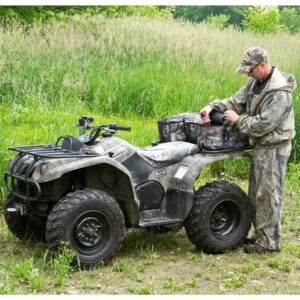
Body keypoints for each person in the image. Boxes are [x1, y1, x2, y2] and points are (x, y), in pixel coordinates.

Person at [200, 47, 296, 254]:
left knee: (268, 193)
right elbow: (237, 101)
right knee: (256, 192)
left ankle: (269, 242)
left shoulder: (279, 92)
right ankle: (259, 233)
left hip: (274, 146)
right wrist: (212, 107)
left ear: (262, 65)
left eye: (250, 70)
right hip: (262, 145)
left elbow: (265, 124)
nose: (247, 74)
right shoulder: (255, 81)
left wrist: (238, 120)